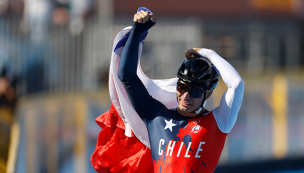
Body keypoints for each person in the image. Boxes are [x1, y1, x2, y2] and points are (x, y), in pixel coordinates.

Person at [116, 9, 245, 173]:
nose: (186, 96)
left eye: (195, 92)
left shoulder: (218, 122)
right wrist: (138, 30)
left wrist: (208, 53)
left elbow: (236, 84)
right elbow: (126, 76)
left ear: (209, 94)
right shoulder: (154, 114)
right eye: (182, 87)